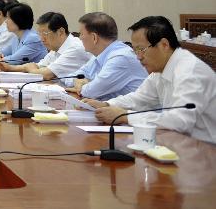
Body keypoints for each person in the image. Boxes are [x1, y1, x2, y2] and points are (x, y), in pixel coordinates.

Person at [83, 17, 215, 144]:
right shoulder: (160, 68)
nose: (138, 57)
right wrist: (106, 105)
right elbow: (139, 99)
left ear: (164, 45)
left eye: (141, 49)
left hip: (206, 151)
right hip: (180, 144)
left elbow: (180, 121)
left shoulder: (190, 72)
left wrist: (125, 116)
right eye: (135, 50)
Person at [65, 12, 148, 100]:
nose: (80, 38)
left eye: (81, 34)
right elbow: (69, 78)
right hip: (111, 109)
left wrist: (83, 85)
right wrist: (76, 80)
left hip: (133, 112)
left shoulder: (121, 57)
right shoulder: (98, 55)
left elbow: (92, 91)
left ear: (94, 38)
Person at [0, 12, 92, 80]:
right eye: (40, 34)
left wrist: (31, 69)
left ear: (61, 32)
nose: (41, 38)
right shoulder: (56, 48)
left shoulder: (74, 48)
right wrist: (9, 68)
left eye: (45, 33)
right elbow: (39, 66)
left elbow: (46, 74)